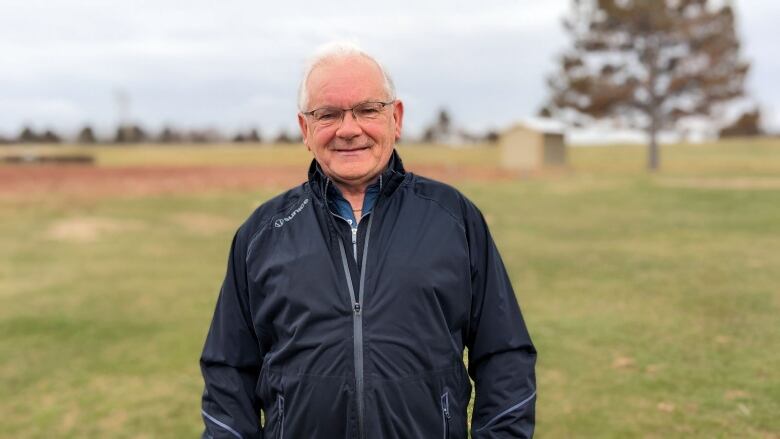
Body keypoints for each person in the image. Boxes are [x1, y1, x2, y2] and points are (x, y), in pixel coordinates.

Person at [200, 42, 536, 439]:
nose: (349, 128)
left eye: (367, 109)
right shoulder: (262, 233)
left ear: (396, 118)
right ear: (305, 130)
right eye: (328, 114)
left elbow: (504, 356)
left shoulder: (454, 219)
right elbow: (229, 374)